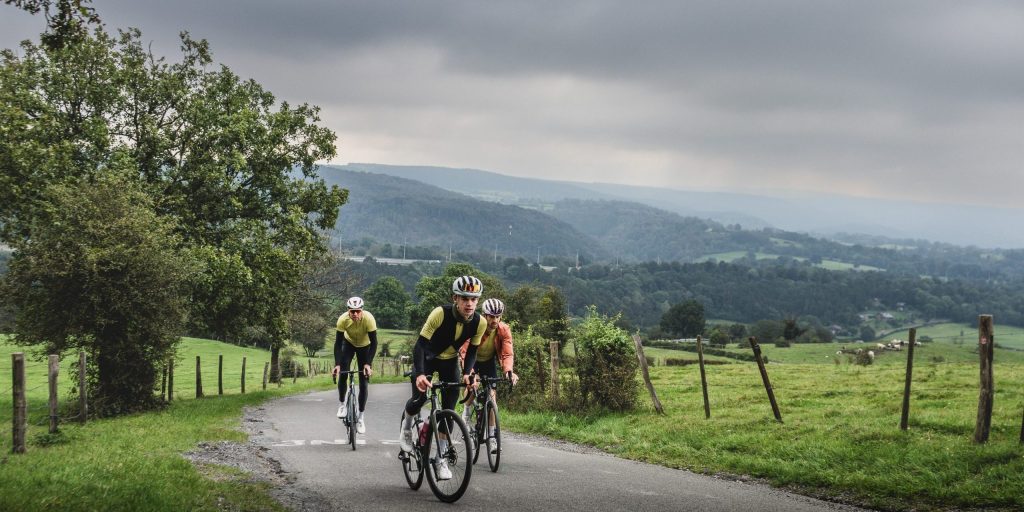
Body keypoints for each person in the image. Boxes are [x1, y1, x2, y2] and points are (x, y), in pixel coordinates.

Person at [399, 275, 487, 480]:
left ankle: (441, 459)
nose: (470, 303)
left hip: (450, 361)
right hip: (428, 358)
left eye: (474, 299)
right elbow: (420, 344)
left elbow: (473, 351)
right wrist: (420, 374)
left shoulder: (479, 322)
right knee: (419, 398)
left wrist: (467, 373)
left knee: (447, 412)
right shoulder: (439, 313)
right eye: (465, 298)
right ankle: (406, 430)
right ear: (455, 298)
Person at [459, 297, 518, 456]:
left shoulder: (504, 329)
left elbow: (507, 353)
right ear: (485, 315)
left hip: (488, 362)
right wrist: (470, 374)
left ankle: (492, 436)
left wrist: (508, 371)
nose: (495, 320)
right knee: (473, 386)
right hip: (472, 361)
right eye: (491, 316)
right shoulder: (475, 326)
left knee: (492, 397)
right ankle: (465, 414)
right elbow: (464, 352)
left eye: (498, 316)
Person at [332, 296, 377, 434]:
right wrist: (337, 364)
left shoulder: (369, 319)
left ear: (362, 310)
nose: (355, 314)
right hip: (349, 344)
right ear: (348, 311)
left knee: (364, 382)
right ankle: (342, 405)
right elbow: (338, 343)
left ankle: (361, 417)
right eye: (352, 311)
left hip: (365, 347)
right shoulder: (342, 320)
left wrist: (368, 364)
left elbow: (374, 343)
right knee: (343, 374)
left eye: (358, 311)